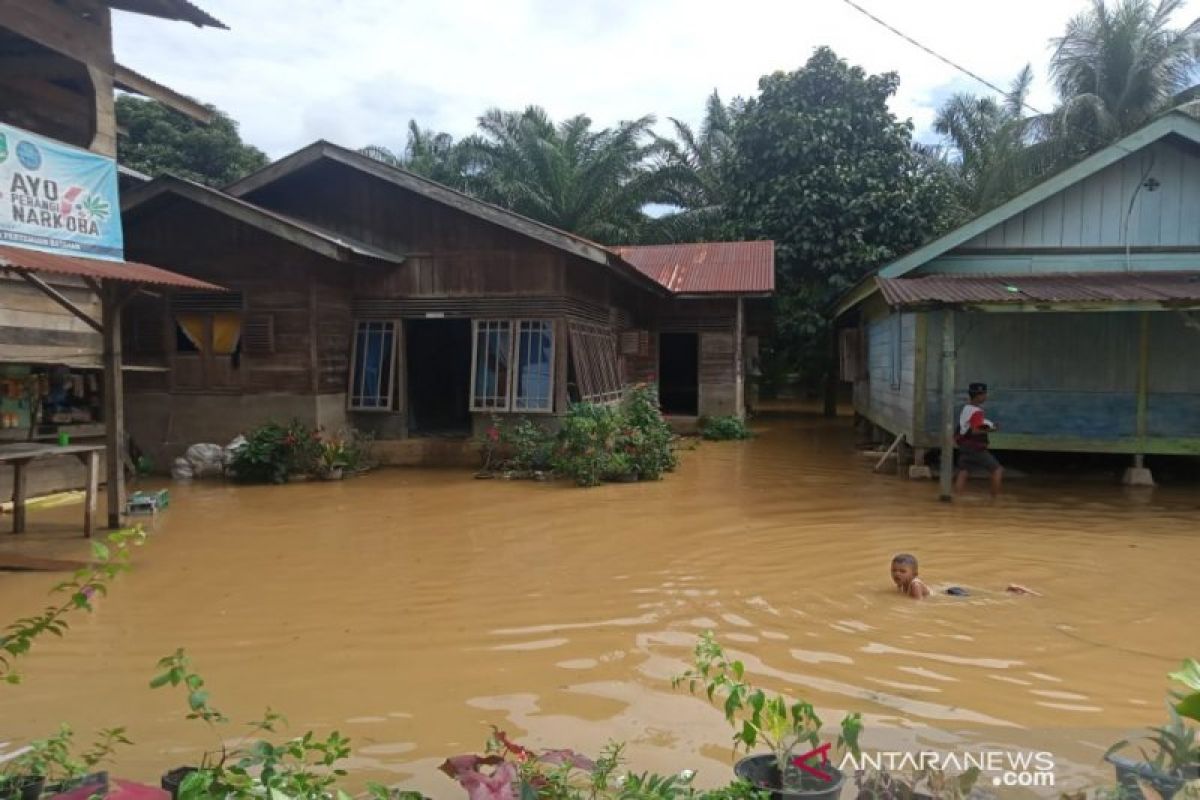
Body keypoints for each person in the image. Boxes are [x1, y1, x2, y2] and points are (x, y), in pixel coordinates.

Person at [890, 553, 1040, 600]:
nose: (897, 574)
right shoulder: (902, 582)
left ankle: (1011, 591)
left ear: (914, 574)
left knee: (987, 598)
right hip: (947, 591)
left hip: (952, 594)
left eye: (902, 571)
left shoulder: (915, 584)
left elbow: (918, 604)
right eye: (894, 570)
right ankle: (1009, 590)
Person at [955, 382, 1003, 496]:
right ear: (979, 396)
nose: (986, 396)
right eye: (984, 394)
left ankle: (957, 499)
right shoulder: (977, 412)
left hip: (964, 446)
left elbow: (968, 426)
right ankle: (994, 501)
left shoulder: (967, 408)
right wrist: (992, 429)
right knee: (997, 470)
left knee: (964, 471)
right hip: (975, 448)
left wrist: (986, 425)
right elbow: (976, 430)